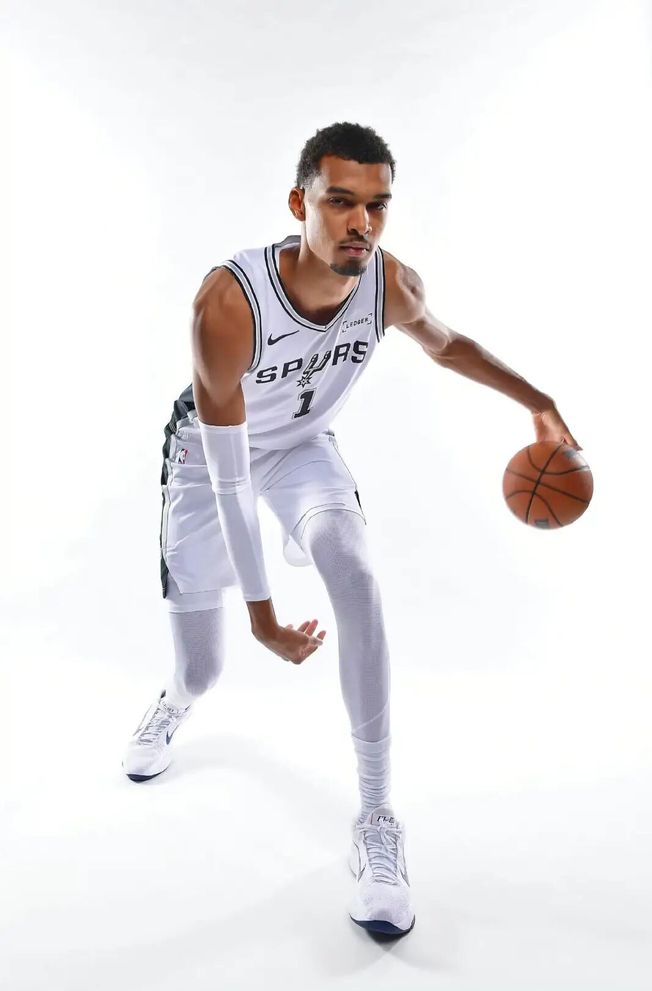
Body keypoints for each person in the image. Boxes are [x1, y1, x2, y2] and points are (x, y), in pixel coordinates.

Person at [122, 121, 580, 938]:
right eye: (340, 202)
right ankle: (175, 700)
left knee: (355, 570)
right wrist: (263, 615)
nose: (361, 222)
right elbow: (230, 478)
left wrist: (537, 402)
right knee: (205, 667)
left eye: (377, 205)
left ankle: (376, 819)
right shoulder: (227, 303)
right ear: (298, 203)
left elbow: (448, 345)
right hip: (209, 460)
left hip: (300, 449)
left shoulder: (388, 283)